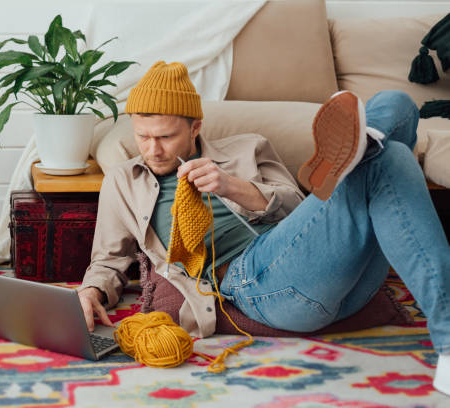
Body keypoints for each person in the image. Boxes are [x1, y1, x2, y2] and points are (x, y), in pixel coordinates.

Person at [77, 61, 450, 395]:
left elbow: (300, 212)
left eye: (165, 137)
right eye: (143, 136)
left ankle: (362, 150)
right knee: (393, 156)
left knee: (398, 103)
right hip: (256, 284)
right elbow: (109, 259)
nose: (152, 149)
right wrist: (92, 291)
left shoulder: (247, 149)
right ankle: (364, 154)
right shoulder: (124, 180)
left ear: (195, 128)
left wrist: (232, 186)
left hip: (333, 271)